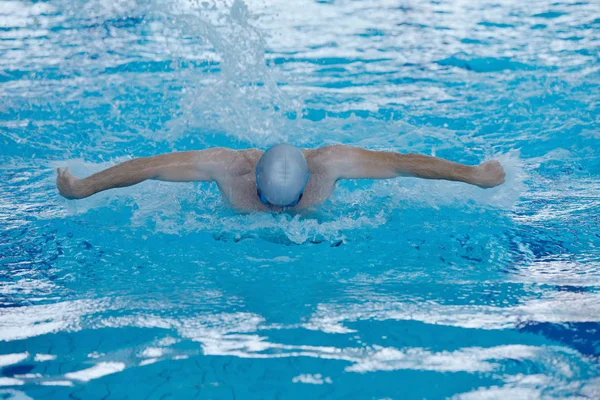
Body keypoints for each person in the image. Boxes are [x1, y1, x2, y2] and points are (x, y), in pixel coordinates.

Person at [56, 143, 505, 212]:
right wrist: (84, 186)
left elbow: (404, 163)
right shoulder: (230, 167)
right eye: (267, 202)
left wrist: (475, 176)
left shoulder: (329, 163)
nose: (277, 214)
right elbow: (150, 167)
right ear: (253, 184)